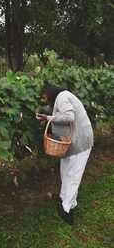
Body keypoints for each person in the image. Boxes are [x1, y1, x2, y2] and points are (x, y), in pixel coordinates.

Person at [36, 82, 94, 225]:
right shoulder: (63, 97)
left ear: (48, 92)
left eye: (43, 96)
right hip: (70, 143)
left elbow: (69, 117)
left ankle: (66, 210)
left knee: (73, 175)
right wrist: (47, 117)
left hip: (80, 143)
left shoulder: (62, 97)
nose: (44, 99)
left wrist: (49, 118)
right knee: (66, 172)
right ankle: (66, 200)